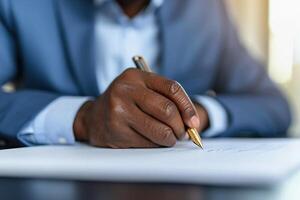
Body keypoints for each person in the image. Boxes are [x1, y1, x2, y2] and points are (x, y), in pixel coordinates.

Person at [0, 0, 291, 148]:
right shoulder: (23, 5)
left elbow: (273, 106)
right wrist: (84, 118)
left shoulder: (206, 9)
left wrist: (197, 114)